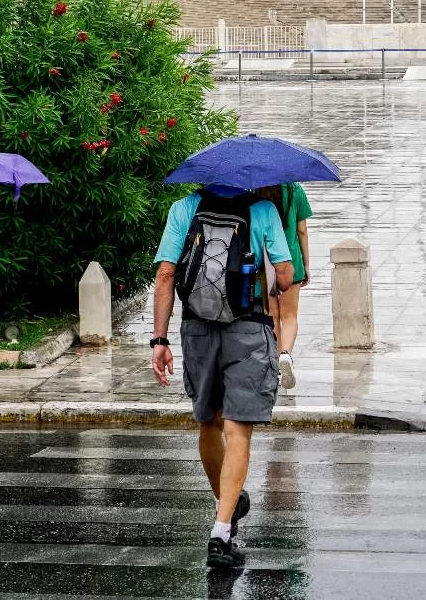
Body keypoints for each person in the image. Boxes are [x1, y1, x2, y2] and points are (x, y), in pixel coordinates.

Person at [151, 184, 293, 567]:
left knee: (209, 422)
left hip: (196, 329)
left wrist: (159, 340)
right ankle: (221, 530)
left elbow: (165, 275)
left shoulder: (184, 207)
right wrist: (272, 276)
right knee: (238, 429)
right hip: (249, 329)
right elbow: (285, 275)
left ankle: (225, 501)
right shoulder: (263, 210)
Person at [256, 183, 312, 390]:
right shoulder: (295, 190)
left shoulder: (255, 191)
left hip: (266, 263)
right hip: (291, 262)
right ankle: (285, 355)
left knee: (272, 315)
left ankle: (275, 362)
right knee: (289, 316)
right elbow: (302, 230)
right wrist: (306, 264)